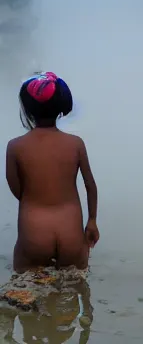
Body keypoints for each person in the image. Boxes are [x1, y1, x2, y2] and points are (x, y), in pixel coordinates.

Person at [5, 72, 99, 273]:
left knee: (25, 293)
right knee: (73, 291)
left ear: (27, 109)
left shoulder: (16, 146)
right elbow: (90, 186)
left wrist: (33, 196)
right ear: (61, 107)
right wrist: (92, 220)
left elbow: (16, 189)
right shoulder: (75, 144)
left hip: (34, 231)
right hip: (71, 231)